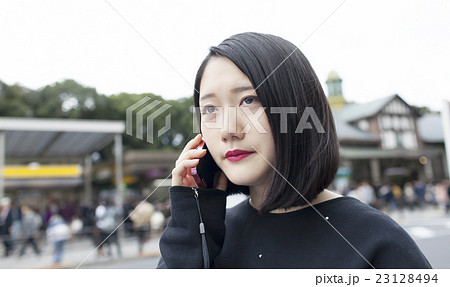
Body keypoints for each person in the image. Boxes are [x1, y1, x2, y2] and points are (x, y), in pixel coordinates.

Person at [156, 32, 431, 269]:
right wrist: (189, 225)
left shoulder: (375, 241)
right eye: (211, 109)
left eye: (249, 100)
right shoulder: (204, 236)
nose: (228, 129)